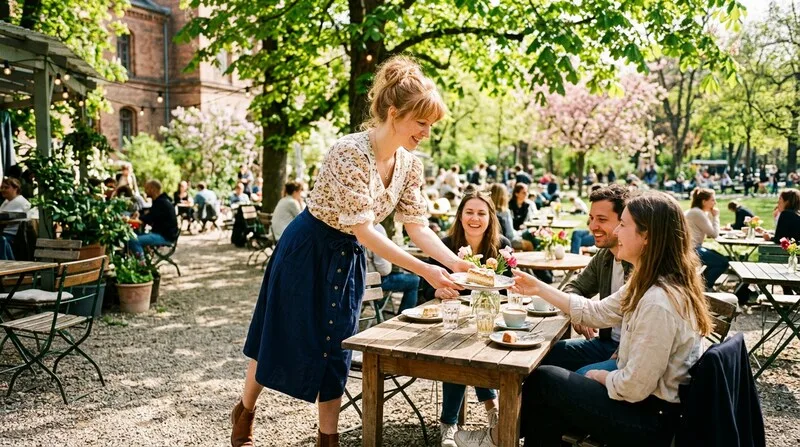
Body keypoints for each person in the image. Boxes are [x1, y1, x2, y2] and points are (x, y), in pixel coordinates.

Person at [231, 56, 473, 447]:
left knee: (337, 348)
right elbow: (365, 231)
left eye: (431, 124)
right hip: (308, 249)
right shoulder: (349, 152)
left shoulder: (410, 165)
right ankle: (246, 409)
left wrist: (453, 261)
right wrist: (425, 271)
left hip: (347, 258)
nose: (427, 132)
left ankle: (329, 439)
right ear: (394, 113)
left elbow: (418, 227)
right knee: (278, 334)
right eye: (421, 122)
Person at [454, 192, 713, 447]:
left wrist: (600, 375)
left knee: (546, 382)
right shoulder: (648, 282)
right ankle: (499, 438)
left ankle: (497, 438)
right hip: (643, 406)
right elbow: (596, 312)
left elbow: (635, 387)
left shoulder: (659, 301)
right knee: (546, 387)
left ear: (646, 237)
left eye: (623, 224)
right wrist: (539, 288)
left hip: (650, 422)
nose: (618, 232)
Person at [419, 190, 510, 447]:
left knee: (480, 347)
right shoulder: (444, 246)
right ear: (460, 216)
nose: (475, 218)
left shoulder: (500, 245)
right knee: (457, 353)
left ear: (490, 218)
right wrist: (437, 290)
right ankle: (454, 422)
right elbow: (423, 288)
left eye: (481, 213)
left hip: (486, 317)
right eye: (469, 212)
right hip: (449, 319)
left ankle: (487, 410)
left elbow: (507, 285)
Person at [542, 184, 633, 375]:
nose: (592, 226)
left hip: (630, 353)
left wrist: (581, 310)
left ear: (623, 222)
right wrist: (579, 311)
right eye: (591, 218)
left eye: (601, 219)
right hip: (606, 342)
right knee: (546, 354)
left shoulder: (639, 263)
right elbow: (574, 287)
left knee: (580, 375)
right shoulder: (605, 256)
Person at [365, 223, 420, 313]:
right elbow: (384, 270)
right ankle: (404, 317)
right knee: (414, 280)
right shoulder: (376, 228)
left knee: (403, 274)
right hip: (372, 283)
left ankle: (382, 304)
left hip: (357, 281)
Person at [685, 188, 728, 290]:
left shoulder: (696, 212)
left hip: (693, 248)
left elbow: (709, 231)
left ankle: (701, 285)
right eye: (712, 200)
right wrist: (716, 216)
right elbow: (713, 234)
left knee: (718, 259)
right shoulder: (697, 213)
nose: (715, 203)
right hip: (693, 249)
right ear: (704, 201)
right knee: (723, 262)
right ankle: (705, 287)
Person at [127, 180, 179, 256]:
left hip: (164, 236)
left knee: (133, 240)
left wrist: (127, 220)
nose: (145, 191)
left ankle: (142, 264)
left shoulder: (161, 203)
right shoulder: (162, 200)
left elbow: (146, 220)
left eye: (146, 188)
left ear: (152, 189)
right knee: (137, 235)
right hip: (165, 234)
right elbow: (150, 215)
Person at [0, 177, 32, 244]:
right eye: (2, 188)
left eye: (6, 188)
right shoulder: (6, 201)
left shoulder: (20, 202)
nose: (3, 190)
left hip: (12, 236)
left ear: (15, 189)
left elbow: (5, 218)